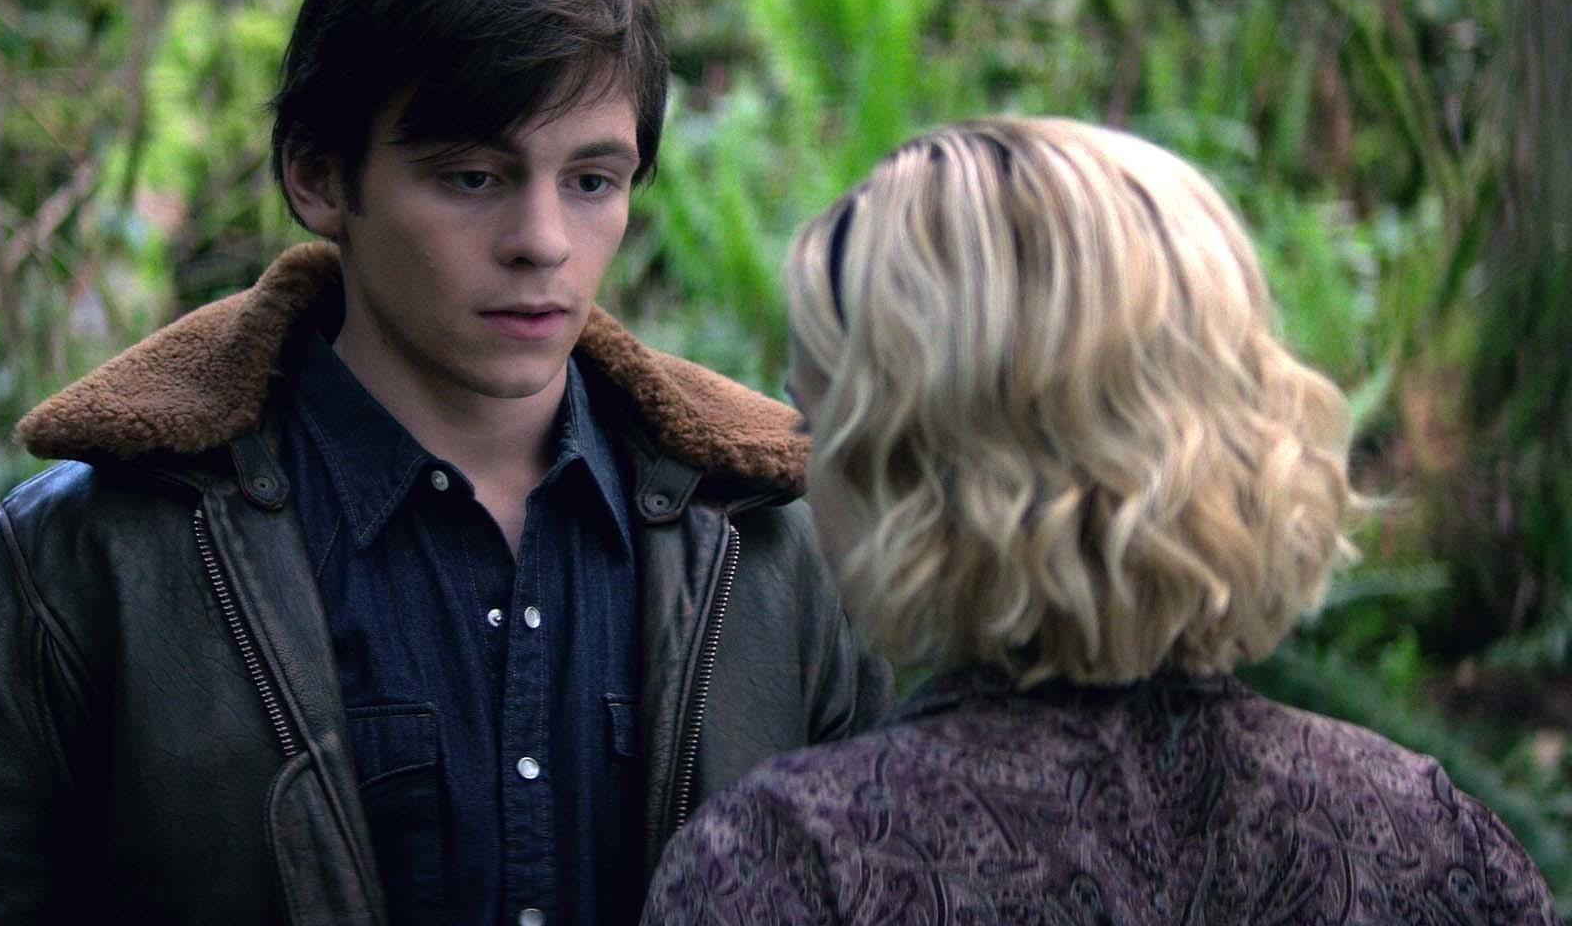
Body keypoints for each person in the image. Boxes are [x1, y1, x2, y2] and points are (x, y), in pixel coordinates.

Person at [0, 0, 891, 926]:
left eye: (591, 181)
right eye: (473, 177)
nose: (542, 241)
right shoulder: (93, 556)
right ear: (318, 178)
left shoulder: (767, 549)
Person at [642, 117, 1557, 925]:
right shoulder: (1426, 840)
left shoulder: (794, 864)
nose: (809, 471)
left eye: (816, 422)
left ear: (910, 463)